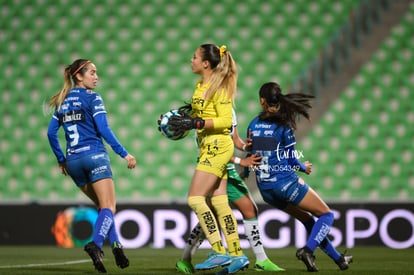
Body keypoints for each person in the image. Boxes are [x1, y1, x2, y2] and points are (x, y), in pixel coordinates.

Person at [246, 82, 353, 272]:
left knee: (308, 220)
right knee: (326, 215)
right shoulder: (284, 126)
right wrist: (304, 167)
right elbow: (291, 160)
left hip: (266, 191)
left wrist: (244, 172)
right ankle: (308, 250)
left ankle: (339, 259)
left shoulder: (253, 124)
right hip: (285, 183)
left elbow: (250, 158)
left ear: (262, 101)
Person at [47, 59, 136, 273]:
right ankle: (95, 245)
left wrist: (61, 159)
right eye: (92, 73)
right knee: (109, 207)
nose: (96, 77)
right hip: (94, 156)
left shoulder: (62, 100)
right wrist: (124, 154)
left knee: (103, 207)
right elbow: (104, 129)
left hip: (73, 162)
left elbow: (50, 133)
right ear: (79, 76)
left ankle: (116, 246)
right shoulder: (93, 98)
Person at [166, 44, 249, 274]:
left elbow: (224, 121)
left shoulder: (220, 87)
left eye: (194, 57)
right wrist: (182, 117)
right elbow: (201, 113)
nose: (190, 60)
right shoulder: (200, 85)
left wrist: (197, 123)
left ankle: (218, 250)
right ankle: (236, 254)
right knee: (220, 201)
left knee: (195, 199)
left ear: (205, 63)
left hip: (217, 145)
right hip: (207, 145)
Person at [175, 109, 285, 274]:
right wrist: (242, 160)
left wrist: (246, 145)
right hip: (214, 166)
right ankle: (236, 256)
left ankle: (188, 259)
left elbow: (234, 140)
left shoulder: (228, 109)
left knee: (235, 211)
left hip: (227, 167)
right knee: (225, 211)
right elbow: (212, 150)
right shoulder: (207, 112)